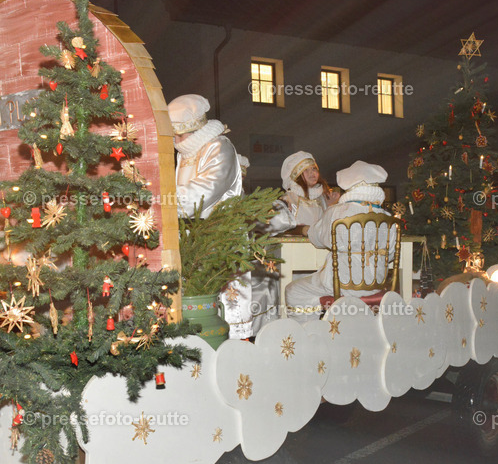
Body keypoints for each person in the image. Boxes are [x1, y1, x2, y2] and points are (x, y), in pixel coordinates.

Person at [168, 94, 278, 338]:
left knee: (229, 308)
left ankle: (236, 357)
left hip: (221, 237)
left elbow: (204, 192)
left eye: (180, 135)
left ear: (196, 129)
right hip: (191, 240)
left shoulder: (219, 147)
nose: (176, 141)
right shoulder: (185, 152)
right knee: (199, 305)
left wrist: (163, 200)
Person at [285, 161, 392, 321]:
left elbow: (318, 239)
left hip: (342, 285)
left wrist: (305, 229)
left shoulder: (337, 212)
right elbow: (390, 255)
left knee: (293, 290)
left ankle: (308, 337)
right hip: (376, 284)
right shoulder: (387, 218)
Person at [280, 151, 340, 232]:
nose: (312, 173)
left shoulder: (322, 197)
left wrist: (331, 206)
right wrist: (303, 230)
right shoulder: (288, 199)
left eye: (314, 168)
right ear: (297, 175)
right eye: (306, 170)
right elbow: (282, 229)